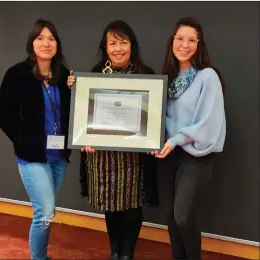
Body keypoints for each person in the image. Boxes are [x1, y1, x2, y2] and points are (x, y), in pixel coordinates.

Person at [67, 20, 159, 260]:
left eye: (123, 42)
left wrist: (151, 137)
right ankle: (115, 250)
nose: (118, 48)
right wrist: (75, 90)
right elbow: (84, 115)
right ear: (105, 47)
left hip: (133, 155)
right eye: (112, 43)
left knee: (131, 206)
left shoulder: (145, 75)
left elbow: (153, 116)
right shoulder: (95, 74)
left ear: (132, 45)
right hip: (103, 157)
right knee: (110, 205)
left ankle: (128, 252)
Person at [0, 19, 71, 260]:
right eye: (40, 38)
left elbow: (71, 113)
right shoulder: (17, 74)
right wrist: (21, 139)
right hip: (32, 156)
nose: (46, 43)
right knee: (44, 211)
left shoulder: (63, 76)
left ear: (57, 44)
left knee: (47, 212)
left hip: (58, 156)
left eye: (51, 38)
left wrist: (75, 88)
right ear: (32, 43)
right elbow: (1, 113)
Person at [151, 17, 226, 260]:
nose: (185, 44)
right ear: (172, 41)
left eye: (192, 40)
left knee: (183, 216)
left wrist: (174, 140)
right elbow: (158, 118)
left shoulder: (208, 77)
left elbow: (208, 123)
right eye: (180, 38)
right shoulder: (167, 77)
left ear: (199, 44)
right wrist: (153, 139)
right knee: (171, 218)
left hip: (195, 156)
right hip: (167, 156)